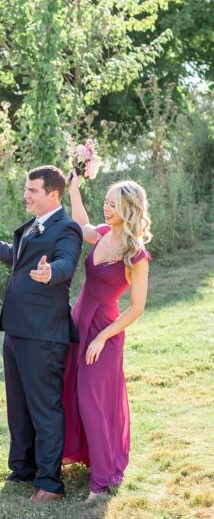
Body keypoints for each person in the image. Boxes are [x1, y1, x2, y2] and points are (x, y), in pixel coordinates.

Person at [0, 166, 83, 502]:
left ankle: (50, 483)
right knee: (18, 404)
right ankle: (23, 467)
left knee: (44, 407)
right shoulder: (32, 226)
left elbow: (66, 264)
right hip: (15, 329)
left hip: (44, 332)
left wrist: (49, 273)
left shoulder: (67, 228)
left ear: (53, 195)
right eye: (26, 188)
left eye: (33, 190)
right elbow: (16, 257)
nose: (26, 195)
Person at [62, 174, 151, 500]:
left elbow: (137, 307)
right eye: (106, 202)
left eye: (113, 204)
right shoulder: (101, 235)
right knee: (71, 388)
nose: (107, 207)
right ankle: (87, 455)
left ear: (128, 209)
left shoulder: (136, 255)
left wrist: (102, 338)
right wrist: (73, 187)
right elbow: (80, 224)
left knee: (93, 399)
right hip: (78, 321)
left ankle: (101, 481)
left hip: (105, 330)